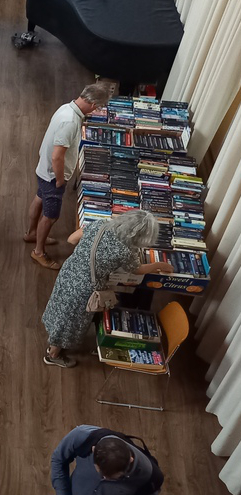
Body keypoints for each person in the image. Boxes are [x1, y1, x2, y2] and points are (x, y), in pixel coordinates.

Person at [42, 211, 173, 367]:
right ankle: (53, 354)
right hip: (85, 287)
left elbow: (72, 239)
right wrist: (159, 265)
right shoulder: (125, 251)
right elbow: (137, 269)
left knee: (60, 307)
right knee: (71, 320)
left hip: (69, 272)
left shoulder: (100, 225)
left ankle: (53, 337)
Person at [26, 84, 112, 269]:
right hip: (52, 176)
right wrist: (59, 179)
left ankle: (32, 233)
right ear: (93, 103)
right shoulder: (71, 121)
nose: (97, 111)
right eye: (98, 107)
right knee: (50, 216)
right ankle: (38, 252)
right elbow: (58, 155)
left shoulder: (66, 107)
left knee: (39, 198)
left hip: (44, 170)